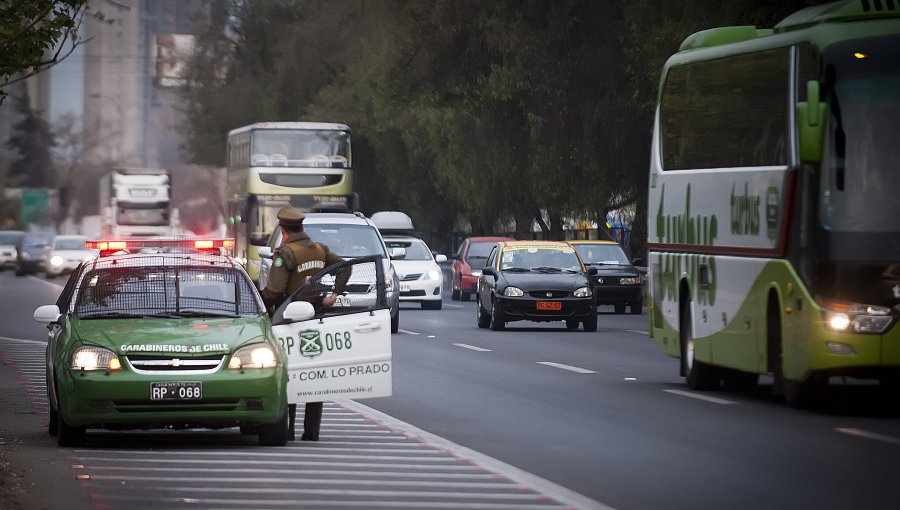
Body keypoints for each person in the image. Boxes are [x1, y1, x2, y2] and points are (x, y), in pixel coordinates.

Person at [262, 206, 346, 441]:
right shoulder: (320, 249)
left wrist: (257, 300)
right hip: (316, 318)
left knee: (287, 374)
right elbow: (344, 269)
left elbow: (273, 291)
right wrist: (334, 295)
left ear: (283, 230)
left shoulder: (286, 254)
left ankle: (287, 429)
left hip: (286, 320)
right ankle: (312, 431)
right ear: (302, 227)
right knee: (314, 374)